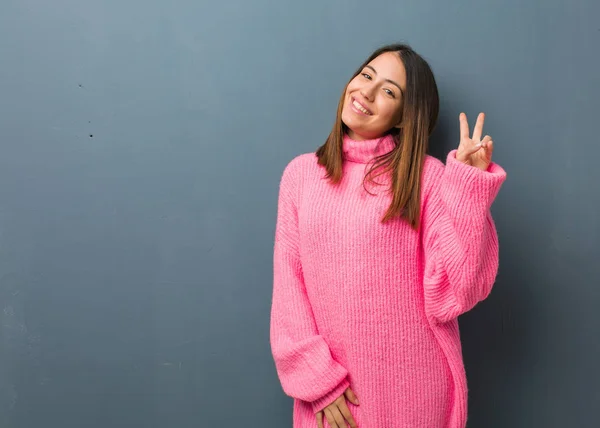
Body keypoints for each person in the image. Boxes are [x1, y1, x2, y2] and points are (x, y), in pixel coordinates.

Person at [270, 43, 507, 428]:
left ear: (403, 117)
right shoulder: (301, 177)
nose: (366, 91)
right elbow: (289, 291)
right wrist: (319, 382)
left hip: (415, 394)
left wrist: (468, 186)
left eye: (389, 91)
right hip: (336, 398)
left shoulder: (426, 179)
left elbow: (457, 289)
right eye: (366, 75)